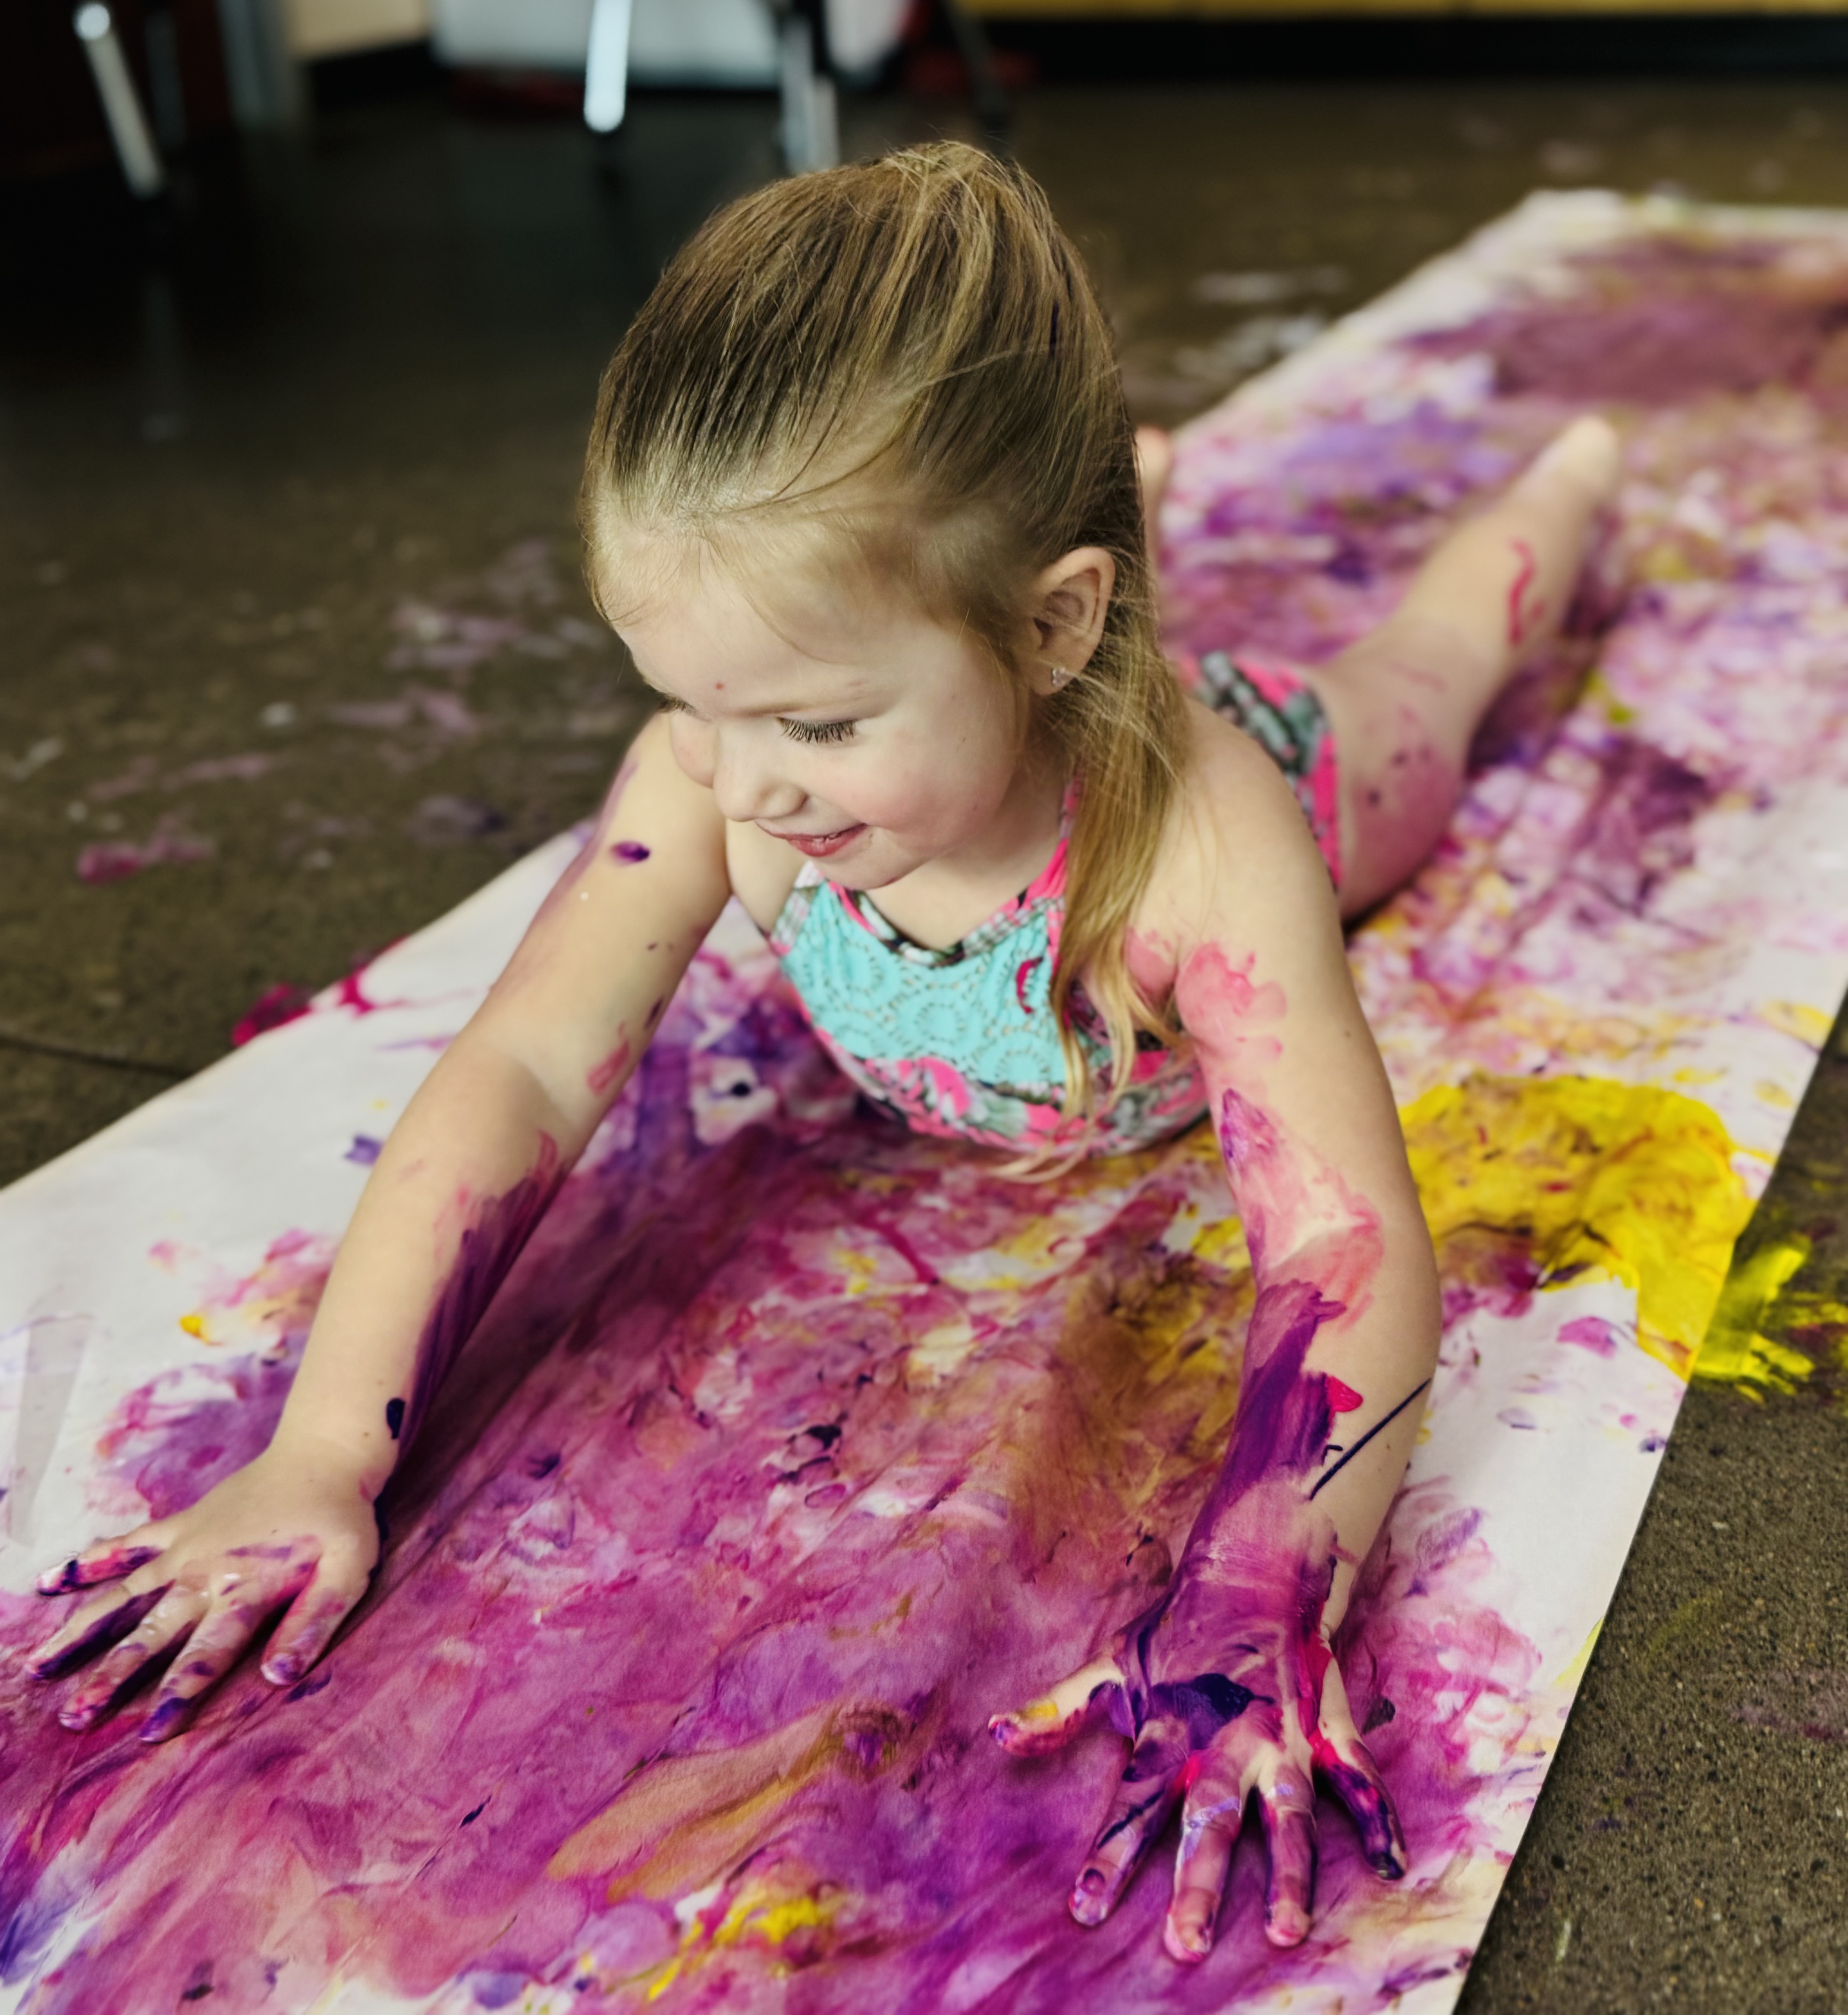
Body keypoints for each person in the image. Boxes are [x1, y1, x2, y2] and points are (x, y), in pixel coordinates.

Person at [30, 144, 1621, 1965]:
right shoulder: (722, 770)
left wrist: (1270, 1566)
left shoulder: (1206, 835)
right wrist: (323, 1447)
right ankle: (1080, 531)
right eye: (692, 701)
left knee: (1430, 669)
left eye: (819, 716)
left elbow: (1339, 1250)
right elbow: (528, 1078)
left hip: (1306, 764)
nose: (750, 779)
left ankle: (1558, 504)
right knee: (815, 687)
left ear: (1053, 631)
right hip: (1024, 632)